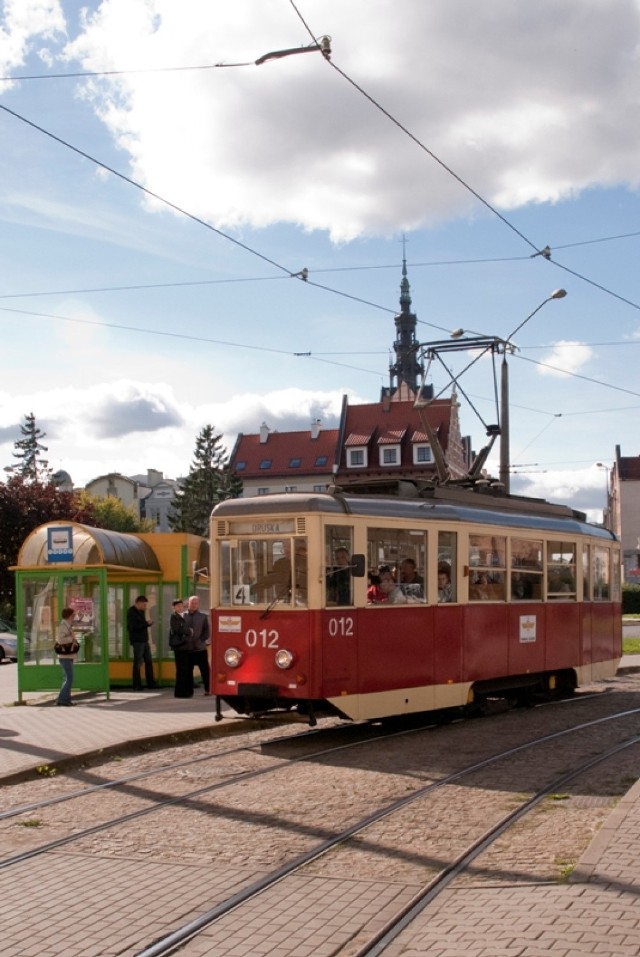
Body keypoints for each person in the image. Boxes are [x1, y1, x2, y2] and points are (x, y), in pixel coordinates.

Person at [127, 595, 157, 691]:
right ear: (139, 603)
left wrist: (147, 624)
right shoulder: (131, 612)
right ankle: (136, 684)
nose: (145, 607)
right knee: (138, 663)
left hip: (144, 640)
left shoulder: (141, 612)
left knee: (148, 661)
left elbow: (141, 625)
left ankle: (151, 683)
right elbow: (133, 627)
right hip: (137, 641)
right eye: (144, 604)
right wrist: (146, 623)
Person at [184, 595, 211, 695]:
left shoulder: (203, 616)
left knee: (205, 670)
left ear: (198, 604)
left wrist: (201, 640)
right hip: (187, 648)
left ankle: (208, 689)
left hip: (200, 648)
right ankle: (189, 690)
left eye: (195, 603)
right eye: (192, 603)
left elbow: (206, 631)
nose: (193, 605)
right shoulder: (183, 616)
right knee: (188, 670)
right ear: (188, 604)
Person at [170, 599, 194, 698]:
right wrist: (189, 631)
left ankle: (187, 691)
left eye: (181, 606)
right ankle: (180, 692)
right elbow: (178, 629)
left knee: (187, 669)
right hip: (180, 647)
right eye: (178, 606)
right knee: (181, 670)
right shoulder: (174, 617)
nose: (180, 608)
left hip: (186, 646)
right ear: (174, 607)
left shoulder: (182, 616)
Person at [56, 607, 78, 706]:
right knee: (69, 678)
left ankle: (66, 700)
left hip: (68, 656)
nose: (74, 617)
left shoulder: (67, 625)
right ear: (69, 616)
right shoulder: (63, 626)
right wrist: (71, 638)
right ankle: (62, 699)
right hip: (65, 656)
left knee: (67, 678)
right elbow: (60, 640)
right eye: (73, 615)